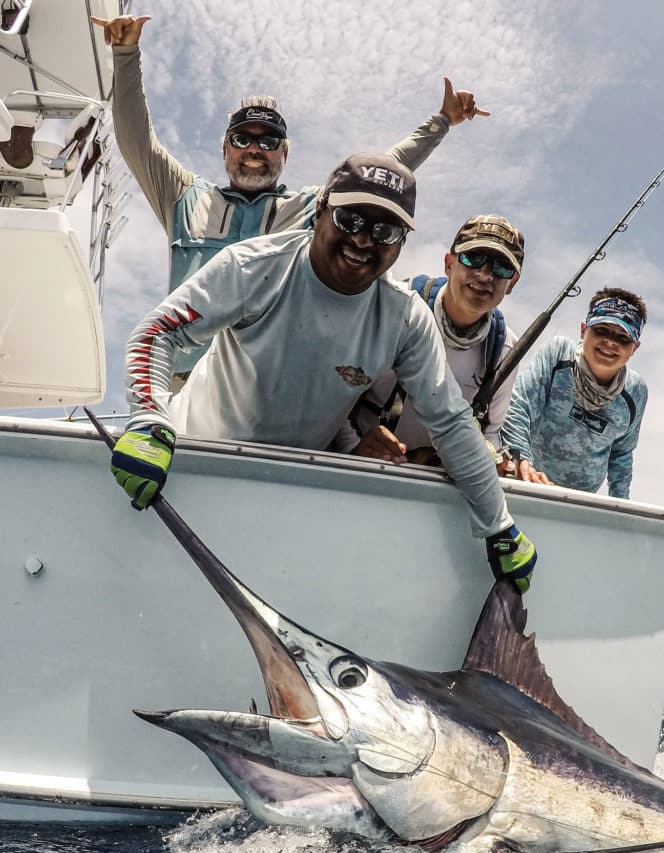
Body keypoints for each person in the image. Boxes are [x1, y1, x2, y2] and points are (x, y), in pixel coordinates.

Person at [109, 151, 537, 592]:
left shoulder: (404, 316)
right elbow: (159, 333)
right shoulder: (253, 265)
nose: (364, 240)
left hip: (292, 494)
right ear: (320, 210)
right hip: (187, 468)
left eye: (384, 230)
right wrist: (148, 417)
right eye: (350, 218)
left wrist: (499, 525)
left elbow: (450, 422)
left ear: (401, 243)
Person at [91, 13, 489, 382]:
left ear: (285, 152)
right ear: (225, 148)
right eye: (242, 138)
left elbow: (385, 169)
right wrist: (126, 54)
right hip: (181, 386)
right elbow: (136, 141)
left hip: (265, 394)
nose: (254, 149)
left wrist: (440, 123)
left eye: (269, 141)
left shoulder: (310, 209)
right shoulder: (183, 195)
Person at [338, 214, 524, 467]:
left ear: (512, 282)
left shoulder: (503, 350)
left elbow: (490, 432)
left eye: (501, 267)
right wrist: (353, 447)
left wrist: (496, 459)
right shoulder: (391, 306)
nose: (485, 275)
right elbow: (331, 391)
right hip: (351, 467)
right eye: (473, 258)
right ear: (449, 264)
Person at [500, 287, 648, 499]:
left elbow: (621, 455)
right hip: (526, 487)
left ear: (635, 347)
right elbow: (518, 407)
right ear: (583, 329)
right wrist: (521, 460)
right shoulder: (557, 354)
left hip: (578, 505)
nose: (610, 343)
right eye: (601, 330)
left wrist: (621, 504)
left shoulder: (636, 392)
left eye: (623, 338)